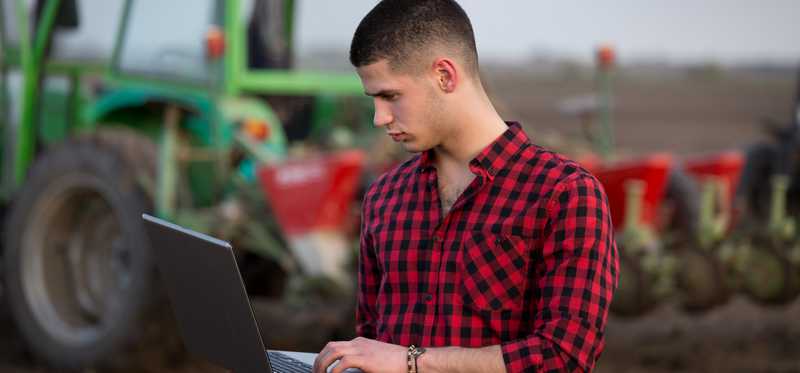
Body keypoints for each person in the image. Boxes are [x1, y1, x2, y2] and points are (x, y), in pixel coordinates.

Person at [313, 1, 619, 372]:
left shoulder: (564, 194)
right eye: (374, 99)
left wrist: (411, 362)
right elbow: (372, 342)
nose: (380, 118)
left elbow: (564, 356)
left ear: (445, 75)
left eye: (391, 96)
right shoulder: (383, 198)